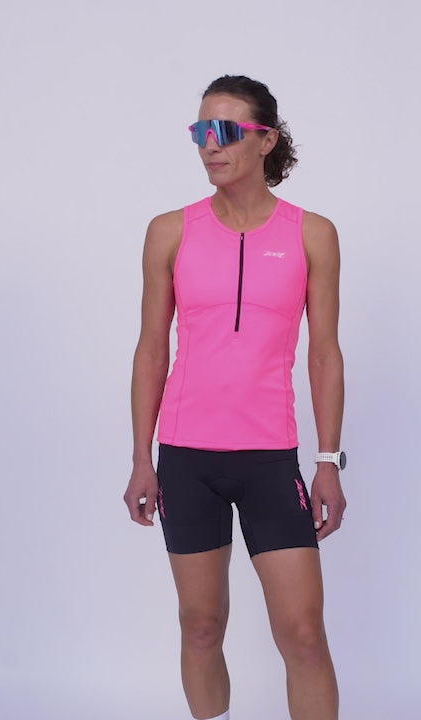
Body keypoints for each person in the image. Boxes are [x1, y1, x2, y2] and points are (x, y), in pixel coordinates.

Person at [123, 74, 346, 720]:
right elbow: (151, 351)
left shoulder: (312, 234)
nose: (209, 145)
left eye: (224, 131)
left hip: (270, 459)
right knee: (200, 627)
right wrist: (141, 457)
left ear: (265, 140)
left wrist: (328, 461)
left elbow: (325, 354)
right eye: (200, 131)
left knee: (304, 635)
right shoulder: (170, 231)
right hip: (186, 459)